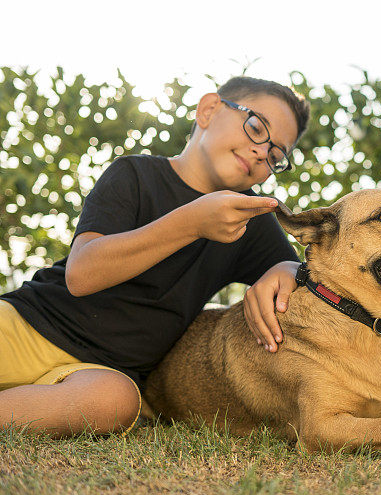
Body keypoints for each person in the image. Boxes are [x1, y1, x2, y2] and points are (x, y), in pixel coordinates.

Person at [0, 76, 308, 437]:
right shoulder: (134, 173)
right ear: (209, 110)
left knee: (115, 404)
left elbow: (305, 277)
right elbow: (82, 275)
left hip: (101, 371)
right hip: (28, 323)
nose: (261, 152)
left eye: (276, 156)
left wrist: (288, 268)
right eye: (256, 128)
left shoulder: (251, 222)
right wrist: (192, 222)